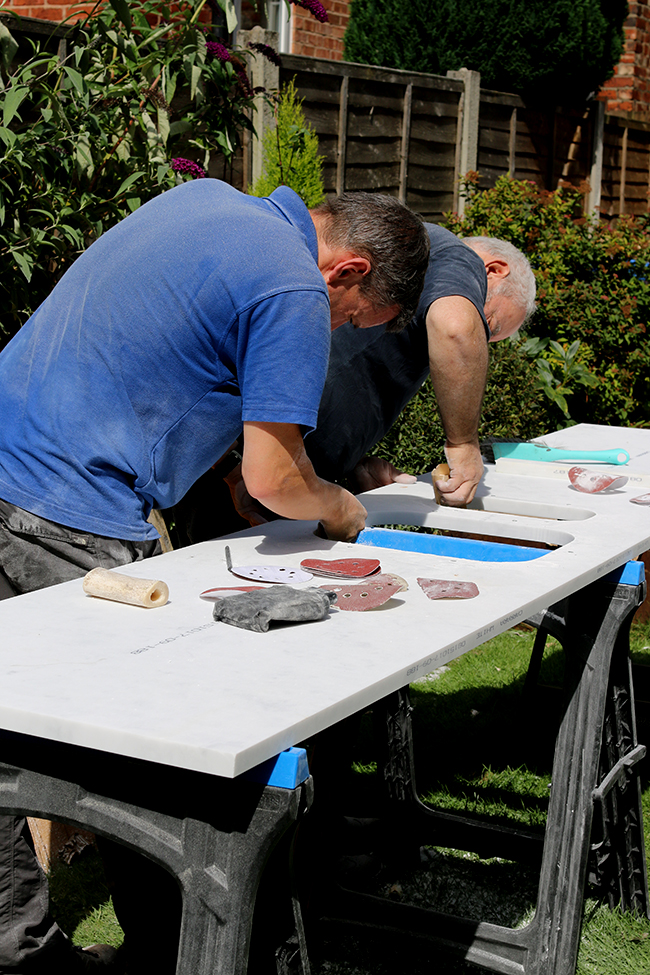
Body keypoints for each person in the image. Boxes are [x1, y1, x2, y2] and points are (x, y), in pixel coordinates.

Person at [0, 179, 430, 974]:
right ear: (349, 272)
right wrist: (337, 504)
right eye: (351, 321)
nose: (336, 332)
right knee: (145, 761)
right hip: (62, 506)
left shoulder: (206, 202)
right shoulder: (296, 281)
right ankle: (176, 954)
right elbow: (277, 478)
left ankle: (22, 950)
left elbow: (159, 349)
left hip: (10, 454)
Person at [304, 228, 536, 506]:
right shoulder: (456, 258)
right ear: (493, 270)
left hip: (290, 473)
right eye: (486, 325)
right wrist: (463, 445)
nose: (479, 339)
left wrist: (349, 459)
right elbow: (456, 330)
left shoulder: (424, 292)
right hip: (261, 464)